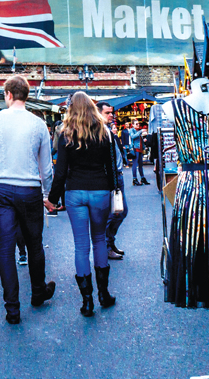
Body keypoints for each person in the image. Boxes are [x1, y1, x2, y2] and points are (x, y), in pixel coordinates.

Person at [0, 75, 56, 325]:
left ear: (8, 95)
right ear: (26, 95)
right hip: (29, 188)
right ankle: (37, 292)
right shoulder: (38, 124)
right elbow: (46, 167)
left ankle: (12, 309)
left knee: (5, 248)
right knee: (35, 244)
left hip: (1, 187)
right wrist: (46, 194)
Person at [48, 92, 117, 318]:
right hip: (100, 191)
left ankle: (87, 302)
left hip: (75, 193)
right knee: (99, 240)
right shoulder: (104, 132)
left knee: (81, 246)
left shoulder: (65, 134)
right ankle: (104, 295)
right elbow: (111, 167)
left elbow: (60, 173)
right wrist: (115, 190)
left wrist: (53, 200)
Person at [96, 102, 127, 261]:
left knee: (120, 211)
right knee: (116, 212)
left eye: (112, 113)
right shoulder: (101, 132)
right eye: (107, 113)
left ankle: (110, 243)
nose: (111, 116)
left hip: (118, 175)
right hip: (113, 177)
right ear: (99, 113)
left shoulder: (107, 131)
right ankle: (107, 246)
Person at [129, 119, 149, 185]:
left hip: (140, 149)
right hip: (135, 149)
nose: (138, 125)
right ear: (133, 125)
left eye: (138, 124)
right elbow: (133, 136)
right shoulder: (132, 130)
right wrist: (141, 131)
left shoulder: (138, 131)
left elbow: (139, 139)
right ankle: (134, 178)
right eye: (136, 124)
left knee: (140, 164)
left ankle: (142, 178)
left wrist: (144, 145)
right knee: (135, 164)